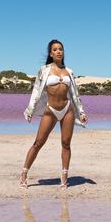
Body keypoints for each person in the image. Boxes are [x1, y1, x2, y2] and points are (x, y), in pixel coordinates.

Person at [20, 39, 88, 189]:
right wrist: (30, 110)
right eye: (55, 49)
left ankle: (64, 177)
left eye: (60, 49)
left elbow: (75, 94)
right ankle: (24, 173)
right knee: (38, 143)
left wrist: (81, 112)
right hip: (50, 110)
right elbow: (36, 91)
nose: (58, 51)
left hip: (67, 109)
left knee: (66, 144)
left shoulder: (69, 72)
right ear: (50, 53)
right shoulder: (44, 70)